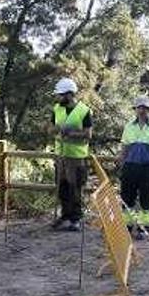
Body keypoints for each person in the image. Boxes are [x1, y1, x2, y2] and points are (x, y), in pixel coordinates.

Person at [119, 96, 149, 237]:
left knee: (146, 198)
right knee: (127, 197)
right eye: (139, 107)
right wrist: (122, 165)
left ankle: (143, 228)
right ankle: (127, 225)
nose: (142, 110)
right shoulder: (129, 126)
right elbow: (124, 148)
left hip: (147, 168)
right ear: (135, 109)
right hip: (130, 166)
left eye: (145, 108)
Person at [51, 77, 93, 232]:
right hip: (60, 155)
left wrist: (70, 132)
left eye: (61, 95)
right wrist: (57, 129)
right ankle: (65, 216)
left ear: (69, 94)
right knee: (62, 187)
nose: (58, 97)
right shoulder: (57, 109)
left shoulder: (84, 111)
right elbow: (51, 128)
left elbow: (88, 134)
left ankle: (75, 219)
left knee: (75, 188)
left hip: (76, 157)